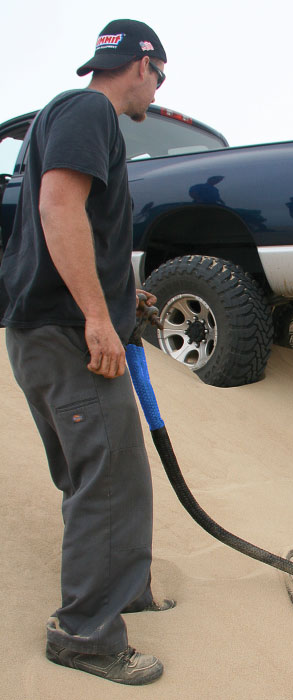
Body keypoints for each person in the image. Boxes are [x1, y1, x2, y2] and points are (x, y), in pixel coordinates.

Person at [0, 20, 174, 685]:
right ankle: (86, 637)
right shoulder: (86, 110)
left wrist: (128, 303)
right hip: (70, 339)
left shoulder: (80, 118)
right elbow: (59, 206)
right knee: (105, 485)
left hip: (63, 333)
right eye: (159, 78)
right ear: (141, 63)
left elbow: (90, 231)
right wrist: (98, 318)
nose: (155, 93)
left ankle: (122, 591)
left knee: (114, 476)